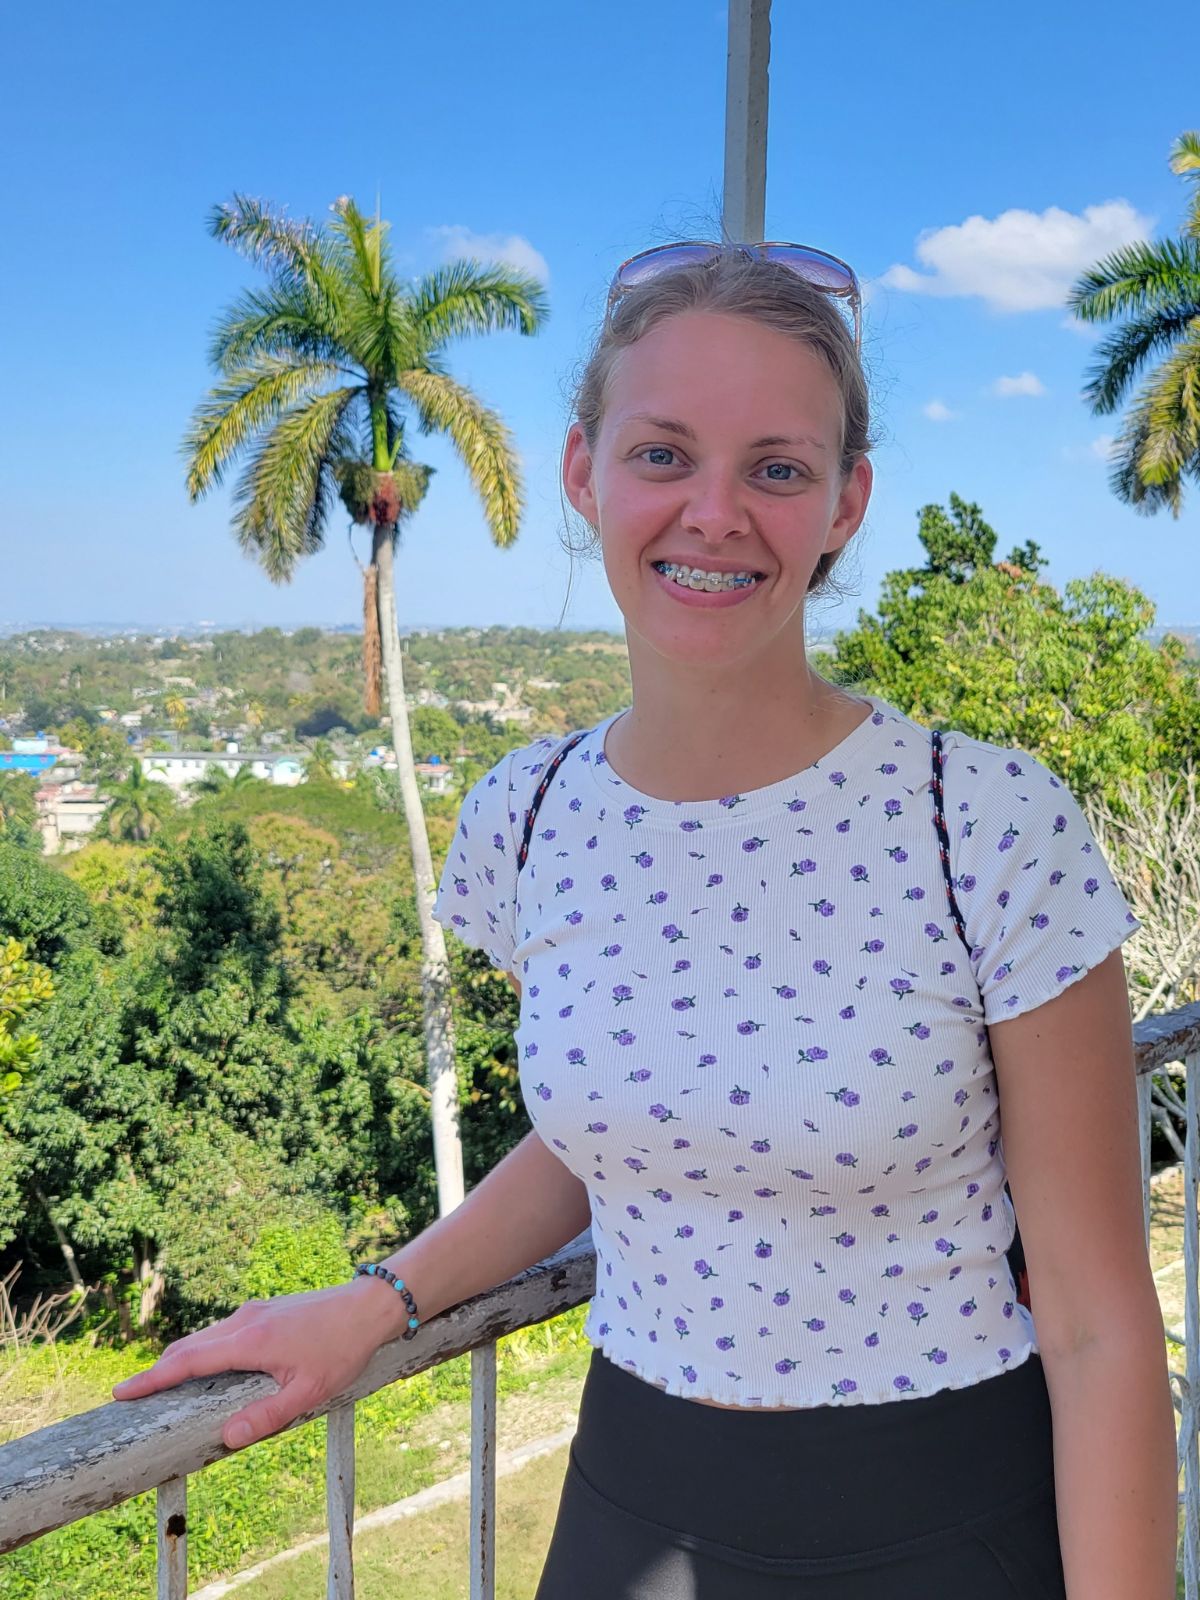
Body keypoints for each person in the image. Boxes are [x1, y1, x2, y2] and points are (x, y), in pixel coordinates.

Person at [113, 243, 1177, 1598]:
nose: (714, 513)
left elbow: (1095, 1326)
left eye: (778, 468)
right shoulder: (532, 814)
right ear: (584, 472)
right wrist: (381, 1300)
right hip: (636, 1497)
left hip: (946, 1513)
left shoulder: (981, 820)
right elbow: (596, 1139)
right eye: (664, 454)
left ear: (847, 500)